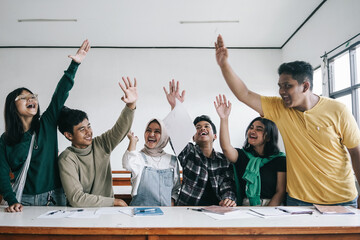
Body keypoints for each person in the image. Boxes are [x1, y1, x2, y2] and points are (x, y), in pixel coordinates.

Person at [215, 34, 360, 208]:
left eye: (287, 86)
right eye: (280, 86)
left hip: (341, 199)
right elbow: (244, 94)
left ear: (305, 86)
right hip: (300, 201)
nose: (281, 91)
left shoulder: (338, 110)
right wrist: (224, 65)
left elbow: (355, 153)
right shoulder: (279, 108)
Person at [0, 40, 90, 213]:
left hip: (52, 198)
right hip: (21, 200)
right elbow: (3, 173)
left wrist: (74, 64)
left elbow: (60, 94)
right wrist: (11, 200)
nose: (31, 99)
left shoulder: (46, 124)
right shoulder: (5, 139)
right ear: (13, 106)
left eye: (32, 96)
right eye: (24, 98)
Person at [57, 77, 137, 207]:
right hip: (80, 216)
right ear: (69, 135)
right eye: (82, 129)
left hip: (108, 213)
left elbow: (120, 129)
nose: (89, 132)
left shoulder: (100, 144)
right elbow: (77, 198)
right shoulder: (67, 159)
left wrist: (131, 105)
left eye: (89, 126)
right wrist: (114, 201)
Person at [163, 80, 236, 206]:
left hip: (216, 209)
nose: (202, 128)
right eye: (198, 127)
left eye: (207, 126)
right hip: (188, 209)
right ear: (193, 138)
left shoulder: (223, 159)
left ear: (215, 136)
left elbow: (227, 185)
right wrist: (175, 107)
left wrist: (228, 199)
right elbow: (176, 135)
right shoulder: (189, 152)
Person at [214, 94, 286, 206]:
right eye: (251, 128)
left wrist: (267, 214)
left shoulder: (279, 159)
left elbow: (280, 192)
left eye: (259, 129)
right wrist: (224, 118)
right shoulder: (242, 155)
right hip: (246, 206)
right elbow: (226, 148)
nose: (252, 131)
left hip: (272, 206)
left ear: (268, 136)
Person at [122, 118, 181, 206]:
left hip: (165, 214)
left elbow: (175, 190)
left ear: (164, 136)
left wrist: (170, 207)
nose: (151, 134)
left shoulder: (172, 160)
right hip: (140, 213)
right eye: (148, 130)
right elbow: (127, 164)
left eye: (157, 131)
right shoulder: (139, 157)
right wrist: (132, 141)